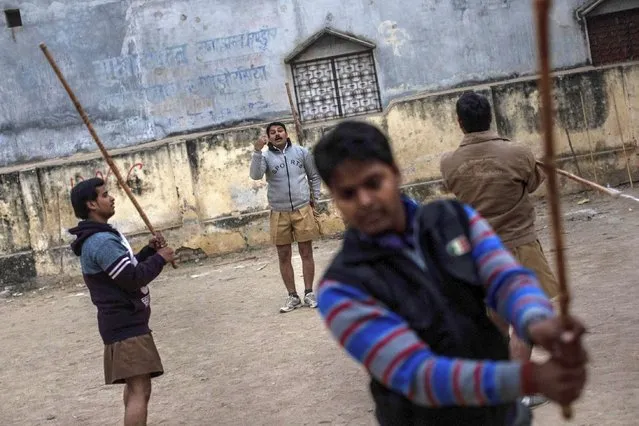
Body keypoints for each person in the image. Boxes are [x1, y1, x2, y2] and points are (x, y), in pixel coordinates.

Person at [313, 121, 588, 425]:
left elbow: (505, 280)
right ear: (334, 198)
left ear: (395, 172)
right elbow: (419, 375)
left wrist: (537, 321)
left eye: (374, 183)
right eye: (348, 193)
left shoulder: (456, 219)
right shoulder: (341, 288)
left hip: (501, 416)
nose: (365, 200)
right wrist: (529, 378)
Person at [440, 91, 560, 407]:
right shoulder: (519, 154)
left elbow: (454, 187)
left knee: (494, 320)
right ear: (490, 117)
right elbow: (533, 183)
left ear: (460, 122)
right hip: (519, 246)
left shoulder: (449, 162)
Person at [69, 178, 175, 426]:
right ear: (92, 204)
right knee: (140, 390)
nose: (112, 198)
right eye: (105, 195)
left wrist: (148, 253)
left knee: (135, 387)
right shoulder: (101, 241)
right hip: (125, 324)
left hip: (124, 323)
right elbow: (131, 278)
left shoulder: (101, 236)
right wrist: (160, 258)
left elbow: (124, 268)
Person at [250, 122, 322, 313]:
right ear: (268, 137)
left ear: (286, 133)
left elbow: (314, 176)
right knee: (283, 255)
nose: (277, 134)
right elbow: (256, 175)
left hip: (302, 209)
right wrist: (257, 151)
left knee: (306, 252)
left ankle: (308, 293)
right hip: (278, 211)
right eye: (272, 132)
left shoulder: (301, 152)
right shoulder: (264, 156)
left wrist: (316, 199)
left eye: (280, 130)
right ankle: (292, 296)